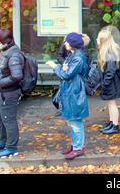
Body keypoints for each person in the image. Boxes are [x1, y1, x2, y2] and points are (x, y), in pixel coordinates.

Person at [46, 32, 89, 160]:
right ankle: (75, 144)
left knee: (75, 120)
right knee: (72, 120)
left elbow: (66, 74)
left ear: (73, 44)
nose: (65, 43)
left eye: (67, 42)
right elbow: (67, 70)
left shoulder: (78, 57)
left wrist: (56, 67)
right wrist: (64, 67)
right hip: (71, 91)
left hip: (74, 92)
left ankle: (78, 148)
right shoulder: (73, 55)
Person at [0, 29, 24, 158]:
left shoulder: (14, 54)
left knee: (8, 120)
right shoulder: (5, 51)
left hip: (8, 93)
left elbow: (17, 76)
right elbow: (1, 72)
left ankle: (11, 147)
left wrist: (0, 83)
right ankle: (3, 141)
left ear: (5, 42)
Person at [97, 28, 120, 134]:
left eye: (98, 38)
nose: (96, 39)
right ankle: (112, 123)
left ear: (103, 40)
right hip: (112, 82)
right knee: (110, 103)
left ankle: (115, 126)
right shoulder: (109, 50)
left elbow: (111, 70)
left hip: (112, 83)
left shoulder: (109, 52)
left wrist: (104, 83)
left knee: (112, 104)